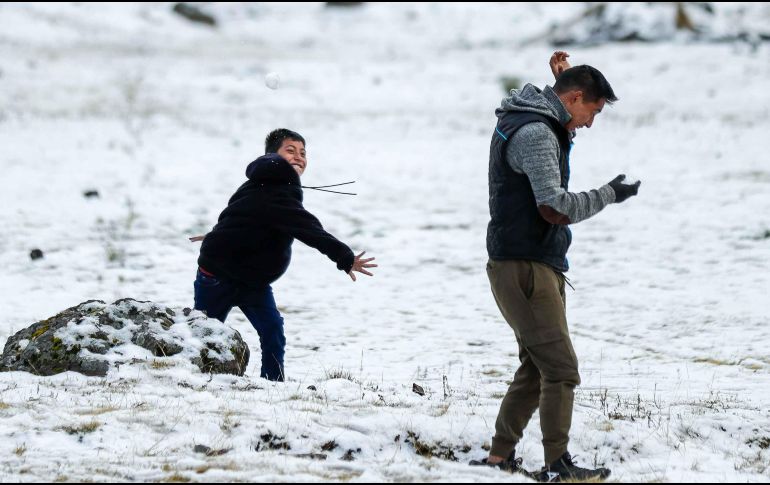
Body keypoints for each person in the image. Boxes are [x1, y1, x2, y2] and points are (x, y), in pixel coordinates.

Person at [471, 52, 640, 481]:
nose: (590, 122)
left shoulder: (538, 119)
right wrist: (609, 194)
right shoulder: (536, 132)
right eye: (592, 112)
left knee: (536, 365)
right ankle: (558, 465)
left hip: (526, 260)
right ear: (577, 97)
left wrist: (562, 92)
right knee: (561, 369)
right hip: (525, 266)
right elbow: (553, 206)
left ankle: (499, 458)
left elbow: (558, 120)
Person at [190, 129, 376, 382]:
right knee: (204, 333)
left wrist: (217, 235)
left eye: (303, 153)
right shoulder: (276, 191)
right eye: (290, 150)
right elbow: (308, 228)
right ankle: (192, 376)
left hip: (252, 281)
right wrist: (344, 257)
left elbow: (237, 213)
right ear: (273, 156)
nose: (299, 157)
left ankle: (273, 383)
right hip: (218, 278)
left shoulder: (264, 183)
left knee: (272, 330)